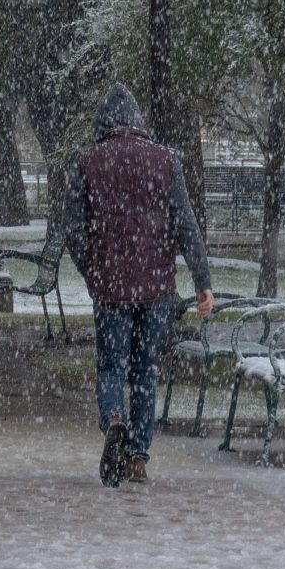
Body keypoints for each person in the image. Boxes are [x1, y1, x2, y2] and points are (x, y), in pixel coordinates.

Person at [63, 84, 213, 486]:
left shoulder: (87, 162)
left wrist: (92, 271)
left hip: (110, 285)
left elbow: (72, 229)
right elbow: (186, 223)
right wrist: (202, 280)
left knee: (112, 364)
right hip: (155, 287)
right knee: (145, 370)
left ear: (103, 123)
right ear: (138, 121)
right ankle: (137, 456)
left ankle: (114, 416)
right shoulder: (165, 161)